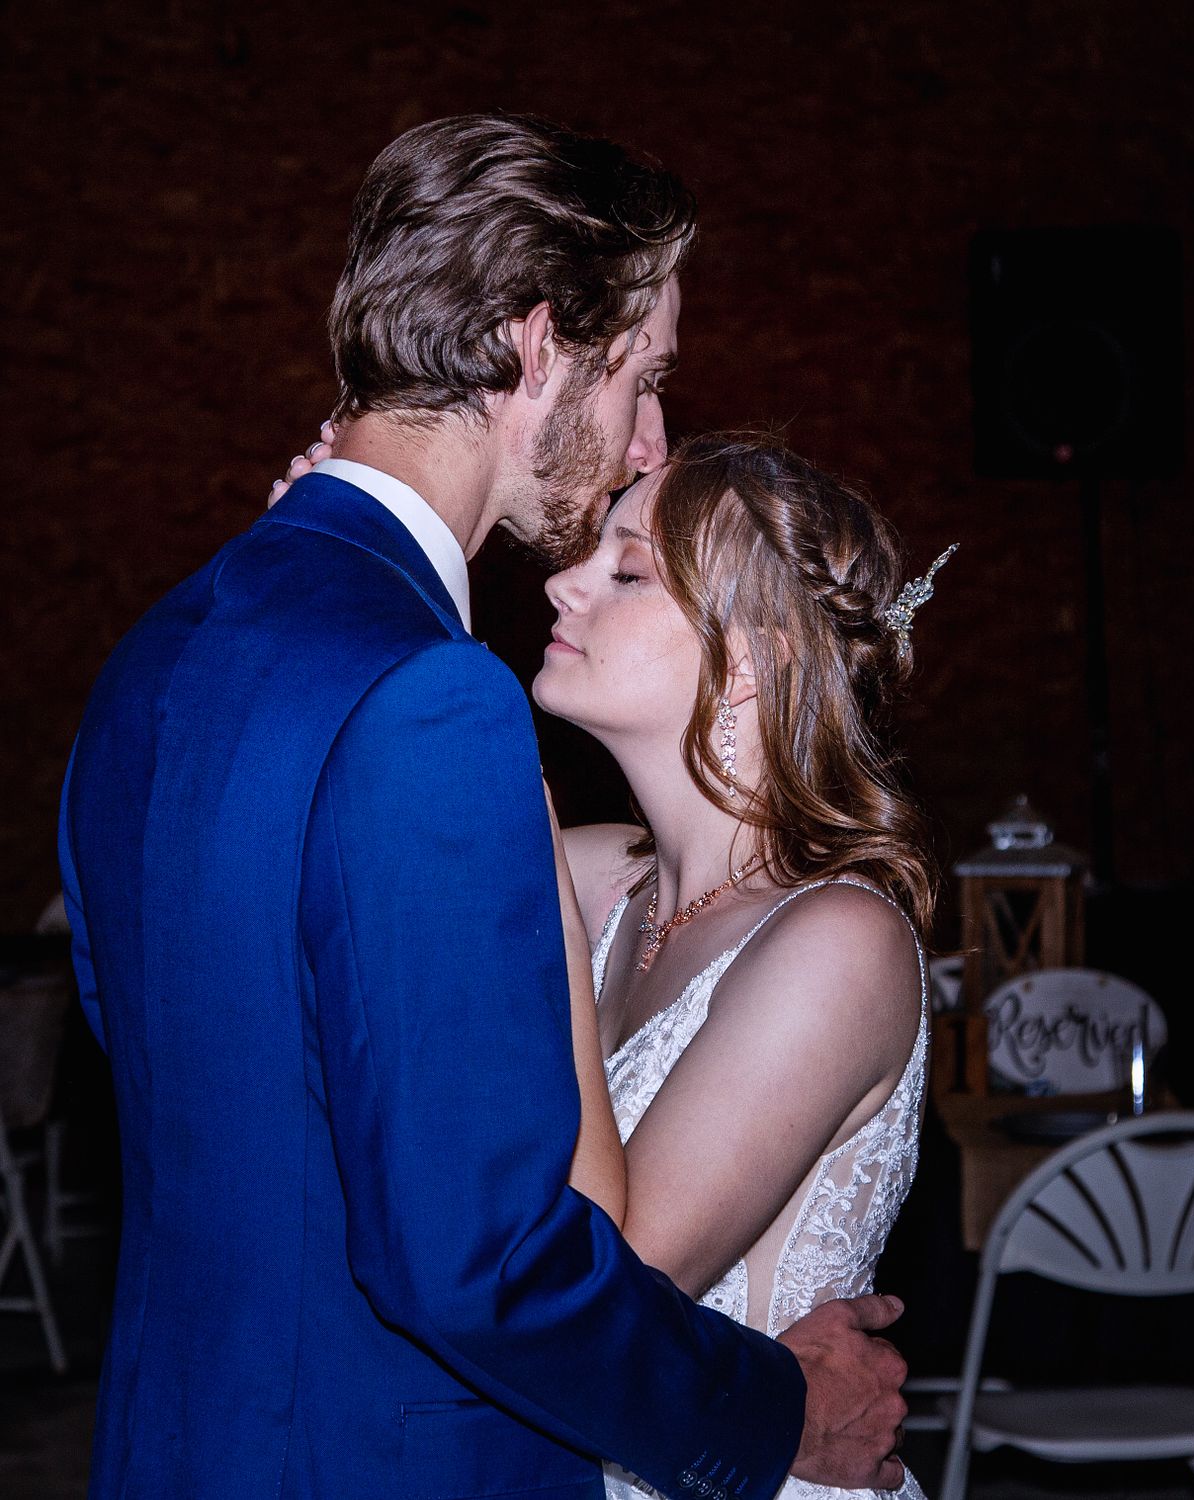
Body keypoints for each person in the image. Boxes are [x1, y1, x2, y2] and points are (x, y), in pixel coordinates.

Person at [59, 113, 907, 1500]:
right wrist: (776, 1419)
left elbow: (171, 1052)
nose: (647, 437)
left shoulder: (160, 649)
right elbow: (476, 1257)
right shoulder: (431, 699)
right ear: (536, 345)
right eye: (643, 376)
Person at [534, 435, 949, 1500]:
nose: (562, 583)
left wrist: (526, 859)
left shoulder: (838, 940)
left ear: (753, 659)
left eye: (628, 571)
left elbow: (612, 1286)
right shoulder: (600, 882)